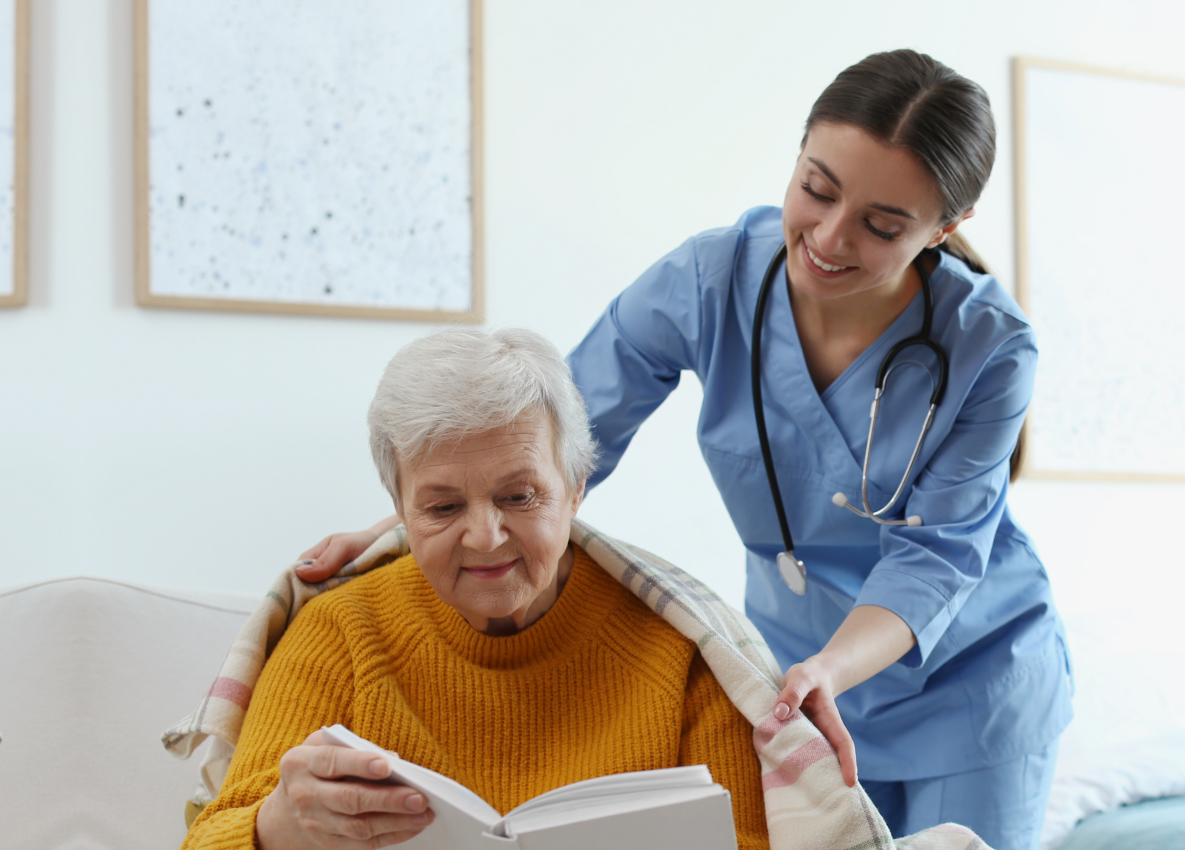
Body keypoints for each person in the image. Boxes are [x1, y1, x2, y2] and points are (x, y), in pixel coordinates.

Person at [296, 49, 1070, 850]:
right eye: (817, 188)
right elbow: (554, 442)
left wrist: (831, 671)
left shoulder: (991, 346)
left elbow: (937, 556)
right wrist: (404, 529)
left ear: (945, 228)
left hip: (973, 683)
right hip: (794, 670)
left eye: (881, 225)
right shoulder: (714, 277)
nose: (829, 238)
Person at [185, 329, 769, 850]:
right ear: (400, 511)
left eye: (519, 497)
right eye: (443, 506)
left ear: (575, 490)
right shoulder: (339, 630)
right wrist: (278, 829)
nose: (486, 539)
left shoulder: (681, 649)